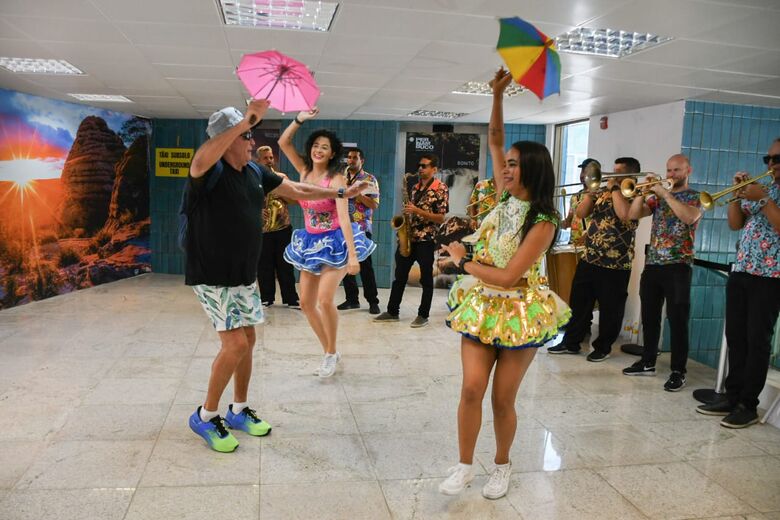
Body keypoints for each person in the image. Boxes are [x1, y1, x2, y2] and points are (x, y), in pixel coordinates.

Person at [186, 101, 372, 452]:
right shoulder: (208, 173)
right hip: (212, 273)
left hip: (242, 273)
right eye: (245, 138)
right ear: (227, 141)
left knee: (249, 341)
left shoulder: (254, 172)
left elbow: (297, 190)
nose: (252, 143)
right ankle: (206, 416)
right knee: (235, 343)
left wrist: (340, 192)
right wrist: (244, 119)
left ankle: (239, 409)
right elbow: (201, 158)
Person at [437, 68, 570, 500]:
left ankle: (501, 465)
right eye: (506, 163)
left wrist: (463, 262)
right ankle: (462, 466)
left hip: (520, 310)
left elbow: (511, 276)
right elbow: (494, 138)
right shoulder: (507, 197)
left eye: (513, 164)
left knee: (501, 400)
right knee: (471, 388)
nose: (504, 167)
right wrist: (496, 94)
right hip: (482, 304)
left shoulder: (544, 221)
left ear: (530, 169)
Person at [278, 108, 376, 378]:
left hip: (335, 242)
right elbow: (283, 143)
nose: (319, 150)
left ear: (332, 153)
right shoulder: (303, 170)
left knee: (324, 300)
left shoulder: (337, 179)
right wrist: (300, 119)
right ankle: (329, 350)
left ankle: (331, 353)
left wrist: (353, 256)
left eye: (325, 147)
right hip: (310, 241)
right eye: (316, 146)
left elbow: (344, 219)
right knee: (306, 303)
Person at [697, 139, 780, 428]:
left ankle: (748, 404)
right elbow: (735, 223)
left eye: (776, 159)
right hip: (742, 270)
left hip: (771, 278)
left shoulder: (765, 194)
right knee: (736, 336)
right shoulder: (763, 189)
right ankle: (731, 397)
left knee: (757, 341)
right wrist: (735, 195)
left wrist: (762, 199)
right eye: (767, 159)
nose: (770, 165)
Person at [622, 154, 702, 391]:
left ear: (688, 170)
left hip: (678, 266)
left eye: (676, 170)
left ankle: (678, 370)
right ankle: (648, 361)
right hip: (654, 264)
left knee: (677, 321)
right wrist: (640, 192)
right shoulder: (657, 198)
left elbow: (689, 217)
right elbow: (633, 215)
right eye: (668, 170)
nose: (671, 175)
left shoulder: (696, 197)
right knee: (650, 317)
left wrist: (665, 193)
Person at [548, 157, 640, 361]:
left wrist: (615, 189)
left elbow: (625, 215)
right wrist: (591, 194)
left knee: (610, 308)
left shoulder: (636, 194)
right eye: (613, 171)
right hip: (590, 257)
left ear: (630, 175)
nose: (612, 176)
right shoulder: (602, 192)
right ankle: (572, 342)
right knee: (579, 302)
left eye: (618, 173)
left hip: (616, 262)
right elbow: (580, 213)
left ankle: (603, 347)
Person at [373, 153, 449, 328]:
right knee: (399, 276)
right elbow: (411, 211)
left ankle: (423, 315)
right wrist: (407, 216)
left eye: (425, 166)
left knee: (426, 280)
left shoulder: (441, 188)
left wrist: (418, 211)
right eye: (420, 166)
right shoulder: (414, 187)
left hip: (426, 239)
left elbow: (441, 218)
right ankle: (392, 311)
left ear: (434, 169)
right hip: (409, 237)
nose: (420, 169)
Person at [336, 147, 381, 315]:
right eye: (349, 157)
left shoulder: (369, 179)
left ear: (362, 160)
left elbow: (374, 205)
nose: (351, 160)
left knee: (365, 266)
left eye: (354, 158)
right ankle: (352, 299)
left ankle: (372, 301)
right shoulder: (342, 178)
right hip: (342, 227)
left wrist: (356, 193)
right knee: (347, 264)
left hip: (361, 228)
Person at [255, 146, 300, 309]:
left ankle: (291, 298)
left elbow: (296, 200)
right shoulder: (253, 178)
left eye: (271, 157)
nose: (269, 160)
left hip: (283, 228)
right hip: (262, 230)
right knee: (264, 265)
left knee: (285, 265)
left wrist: (282, 193)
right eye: (266, 158)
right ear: (258, 160)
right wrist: (257, 211)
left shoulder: (281, 177)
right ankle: (266, 298)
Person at [560, 159, 599, 248]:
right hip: (573, 244)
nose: (582, 175)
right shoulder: (574, 197)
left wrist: (586, 237)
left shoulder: (600, 196)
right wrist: (559, 223)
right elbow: (570, 221)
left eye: (587, 172)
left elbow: (600, 223)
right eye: (582, 172)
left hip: (590, 245)